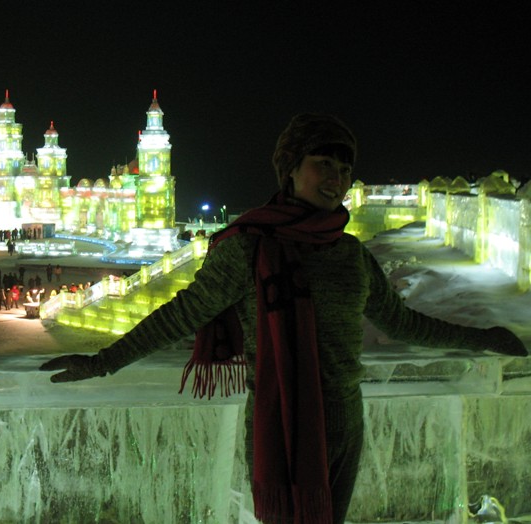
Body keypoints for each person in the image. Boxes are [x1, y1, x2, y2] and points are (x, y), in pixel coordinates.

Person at [40, 113, 528, 524]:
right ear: (291, 171)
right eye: (322, 164)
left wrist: (482, 337)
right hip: (282, 427)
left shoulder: (352, 254)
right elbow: (184, 313)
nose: (336, 177)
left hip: (345, 426)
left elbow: (404, 324)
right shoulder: (252, 246)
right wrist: (104, 362)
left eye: (344, 167)